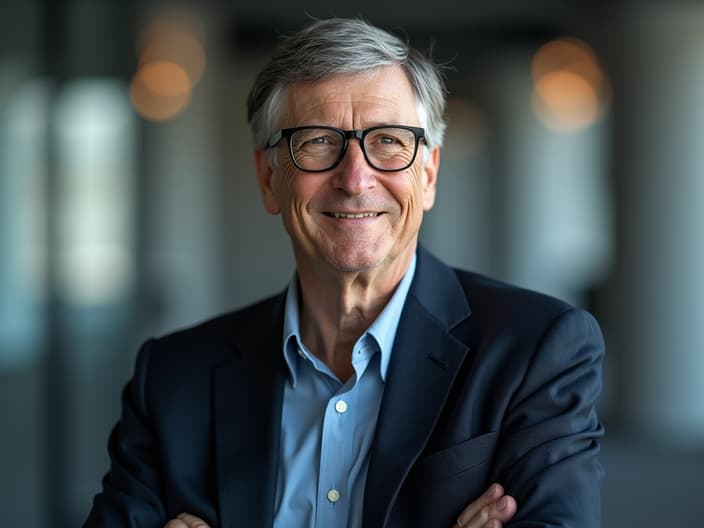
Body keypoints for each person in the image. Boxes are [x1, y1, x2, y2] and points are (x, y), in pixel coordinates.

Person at [84, 16, 605, 528]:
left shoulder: (536, 351)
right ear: (269, 179)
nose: (355, 178)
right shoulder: (175, 377)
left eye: (388, 142)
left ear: (427, 175)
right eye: (317, 141)